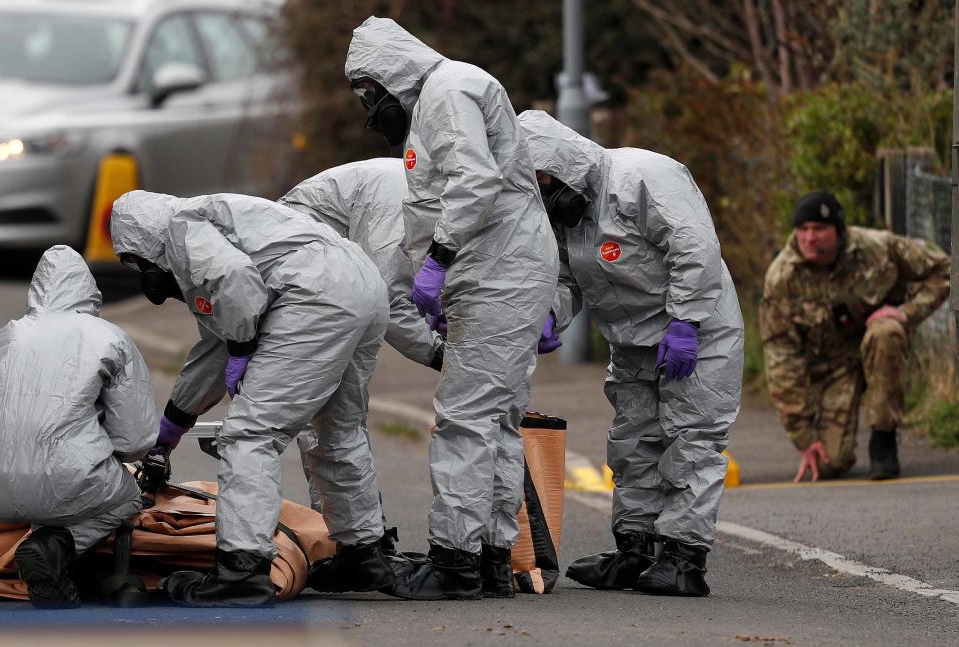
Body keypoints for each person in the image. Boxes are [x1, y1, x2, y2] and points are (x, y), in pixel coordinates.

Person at [345, 17, 560, 600]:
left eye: (369, 94)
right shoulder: (442, 98)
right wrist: (442, 278)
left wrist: (439, 258)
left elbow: (473, 177)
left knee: (465, 417)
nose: (370, 111)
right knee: (494, 419)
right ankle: (490, 556)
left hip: (498, 272)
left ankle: (454, 562)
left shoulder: (446, 90)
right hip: (495, 271)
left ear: (390, 74)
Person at [110, 190, 393, 606]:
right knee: (336, 430)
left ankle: (242, 570)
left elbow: (236, 283)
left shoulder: (181, 228)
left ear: (142, 242)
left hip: (314, 295)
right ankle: (363, 553)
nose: (151, 276)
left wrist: (243, 348)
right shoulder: (220, 221)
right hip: (361, 285)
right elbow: (213, 350)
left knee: (250, 435)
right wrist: (167, 436)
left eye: (142, 264)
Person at [518, 110, 744, 597]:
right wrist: (548, 315)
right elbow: (562, 277)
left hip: (697, 329)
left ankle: (684, 560)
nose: (543, 193)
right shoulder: (565, 215)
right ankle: (634, 550)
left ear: (562, 162)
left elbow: (695, 249)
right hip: (632, 338)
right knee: (632, 444)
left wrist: (686, 321)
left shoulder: (643, 177)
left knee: (692, 440)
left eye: (543, 179)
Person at [0, 245, 158, 608]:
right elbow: (135, 440)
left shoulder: (6, 335)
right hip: (64, 478)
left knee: (48, 486)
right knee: (125, 497)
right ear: (90, 291)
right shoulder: (109, 337)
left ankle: (47, 562)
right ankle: (56, 545)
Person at [278, 157, 442, 526]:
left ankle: (358, 536)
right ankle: (349, 537)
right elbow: (390, 297)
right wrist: (436, 352)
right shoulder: (403, 203)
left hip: (338, 271)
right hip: (309, 271)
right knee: (327, 413)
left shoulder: (434, 193)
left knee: (340, 414)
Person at [761, 191, 950, 482]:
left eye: (820, 229)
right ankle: (831, 442)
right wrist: (804, 436)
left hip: (880, 346)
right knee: (827, 464)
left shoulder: (879, 248)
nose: (810, 238)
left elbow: (946, 268)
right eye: (803, 230)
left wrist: (908, 312)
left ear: (839, 230)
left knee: (886, 331)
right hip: (833, 367)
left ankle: (884, 439)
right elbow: (781, 361)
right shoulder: (782, 279)